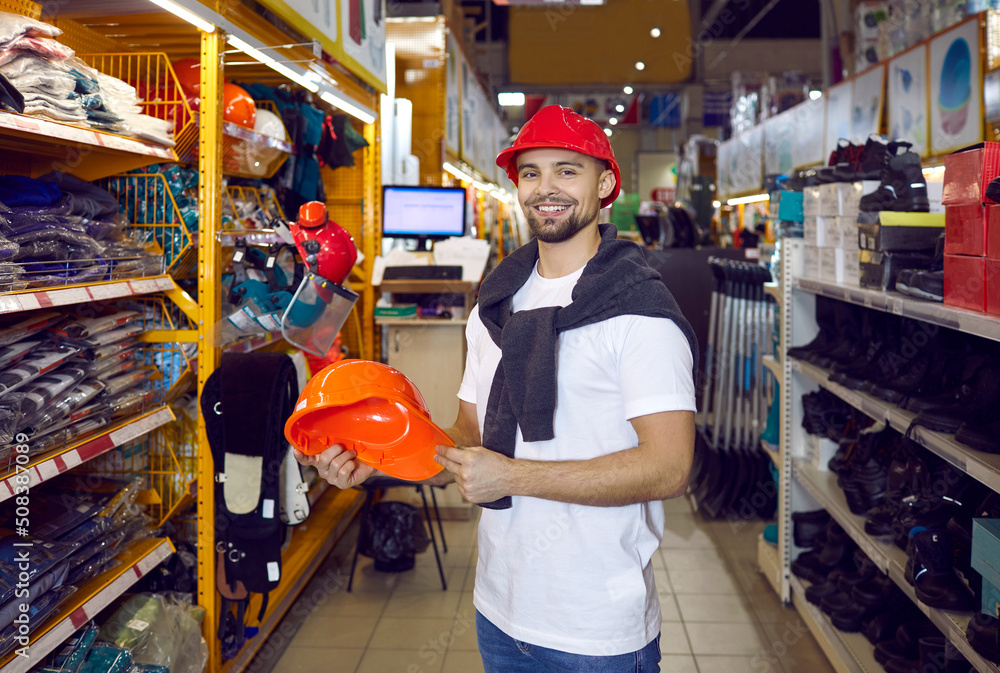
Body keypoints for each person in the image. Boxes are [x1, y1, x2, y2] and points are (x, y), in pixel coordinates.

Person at [295, 104, 697, 673]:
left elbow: (669, 467)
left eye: (567, 170)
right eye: (531, 173)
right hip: (501, 611)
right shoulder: (495, 305)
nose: (546, 188)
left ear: (604, 184)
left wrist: (516, 477)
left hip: (597, 628)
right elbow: (466, 438)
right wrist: (376, 463)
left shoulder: (640, 314)